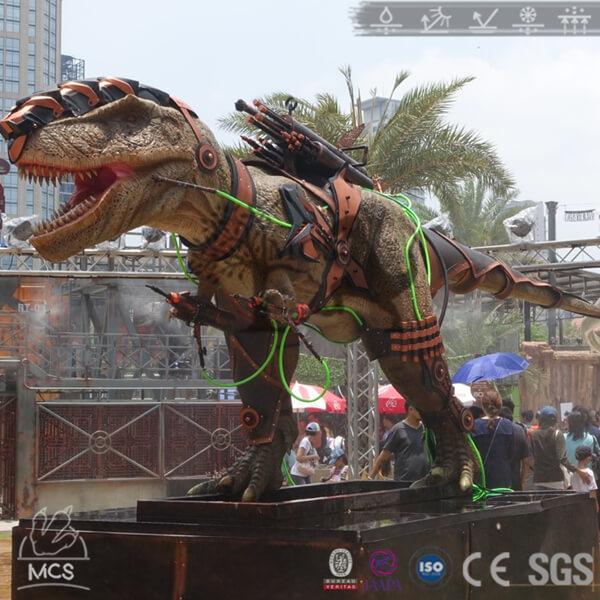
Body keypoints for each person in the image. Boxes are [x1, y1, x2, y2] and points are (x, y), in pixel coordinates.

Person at [472, 389, 527, 489]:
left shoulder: (474, 426)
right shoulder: (509, 426)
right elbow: (512, 454)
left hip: (481, 485)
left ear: (483, 406)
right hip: (504, 484)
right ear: (500, 406)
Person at [530, 406, 590, 490]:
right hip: (555, 479)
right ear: (555, 420)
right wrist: (578, 471)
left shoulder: (533, 435)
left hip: (539, 479)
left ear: (541, 419)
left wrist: (538, 469)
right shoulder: (557, 434)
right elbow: (562, 459)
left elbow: (530, 459)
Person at [368, 401, 429, 483]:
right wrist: (371, 478)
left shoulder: (426, 429)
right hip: (404, 481)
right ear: (410, 409)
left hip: (425, 481)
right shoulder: (398, 429)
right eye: (419, 409)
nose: (423, 411)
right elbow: (384, 456)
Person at [497, 402, 531, 491]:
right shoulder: (520, 430)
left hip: (496, 485)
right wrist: (522, 482)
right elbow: (526, 462)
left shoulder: (494, 431)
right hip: (515, 483)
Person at [571, 445, 598, 514]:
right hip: (587, 503)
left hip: (575, 503)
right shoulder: (589, 472)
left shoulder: (573, 472)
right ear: (588, 458)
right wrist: (596, 506)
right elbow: (592, 492)